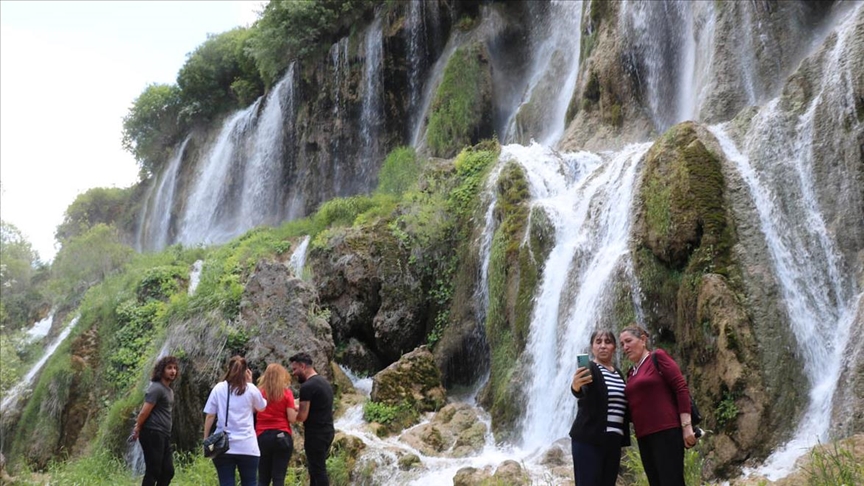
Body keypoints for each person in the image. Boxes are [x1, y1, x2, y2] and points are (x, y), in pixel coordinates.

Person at [619, 325, 697, 486]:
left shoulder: (657, 357)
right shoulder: (631, 373)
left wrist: (687, 426)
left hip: (666, 432)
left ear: (642, 339)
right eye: (621, 344)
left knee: (671, 481)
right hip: (644, 437)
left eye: (628, 341)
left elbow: (680, 388)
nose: (625, 347)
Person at [569, 329, 630, 486]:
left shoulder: (618, 374)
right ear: (592, 347)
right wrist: (576, 386)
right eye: (598, 342)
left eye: (608, 342)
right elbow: (582, 391)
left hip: (613, 442)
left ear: (614, 347)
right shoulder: (590, 368)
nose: (603, 346)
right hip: (588, 439)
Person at [203, 356, 267, 486]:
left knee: (226, 482)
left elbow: (210, 415)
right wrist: (251, 383)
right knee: (250, 482)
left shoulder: (219, 388)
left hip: (223, 447)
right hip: (248, 446)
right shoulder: (251, 389)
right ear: (246, 371)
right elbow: (262, 407)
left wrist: (206, 438)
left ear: (228, 369)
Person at [131, 356, 179, 486]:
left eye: (174, 368)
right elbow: (144, 412)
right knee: (153, 471)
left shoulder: (169, 391)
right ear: (161, 370)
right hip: (152, 432)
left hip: (163, 435)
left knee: (168, 471)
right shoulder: (156, 388)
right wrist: (137, 428)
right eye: (169, 368)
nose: (173, 371)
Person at [289, 352, 334, 486]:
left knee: (318, 471)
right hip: (328, 431)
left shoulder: (307, 387)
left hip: (316, 435)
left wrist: (289, 415)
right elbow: (315, 407)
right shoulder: (324, 383)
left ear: (303, 366)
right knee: (314, 469)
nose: (294, 373)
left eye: (295, 369)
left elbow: (303, 416)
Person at [256, 363, 298, 486]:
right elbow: (292, 418)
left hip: (262, 436)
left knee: (263, 478)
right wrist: (298, 410)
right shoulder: (286, 393)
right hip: (282, 436)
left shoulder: (259, 393)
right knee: (278, 478)